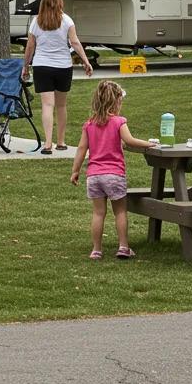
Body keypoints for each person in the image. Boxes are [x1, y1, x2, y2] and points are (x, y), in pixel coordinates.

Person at [70, 80, 158, 261]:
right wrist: (150, 143)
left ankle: (96, 250)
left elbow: (81, 148)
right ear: (116, 101)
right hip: (114, 175)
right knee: (120, 211)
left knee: (98, 213)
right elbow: (130, 141)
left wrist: (75, 170)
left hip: (94, 176)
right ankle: (124, 247)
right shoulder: (119, 122)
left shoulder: (89, 124)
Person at [22, 0, 93, 154]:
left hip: (42, 67)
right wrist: (85, 61)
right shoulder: (67, 20)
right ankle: (61, 141)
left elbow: (30, 46)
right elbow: (74, 42)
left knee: (47, 105)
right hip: (63, 67)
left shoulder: (36, 21)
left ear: (43, 3)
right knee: (61, 105)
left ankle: (48, 144)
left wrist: (25, 65)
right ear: (60, 2)